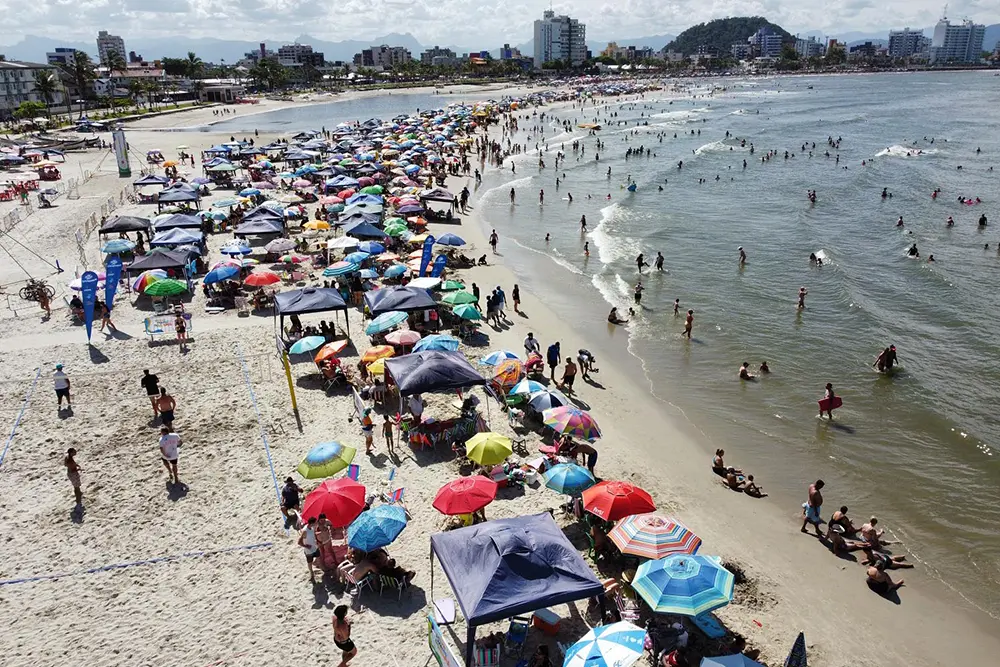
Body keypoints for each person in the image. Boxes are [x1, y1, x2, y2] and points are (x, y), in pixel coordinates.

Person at [299, 516, 322, 582]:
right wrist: (306, 546)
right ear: (312, 523)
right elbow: (299, 542)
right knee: (310, 563)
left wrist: (318, 541)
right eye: (315, 523)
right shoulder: (305, 531)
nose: (317, 523)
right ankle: (311, 574)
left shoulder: (312, 528)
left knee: (319, 558)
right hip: (308, 551)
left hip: (315, 547)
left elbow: (313, 535)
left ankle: (322, 570)